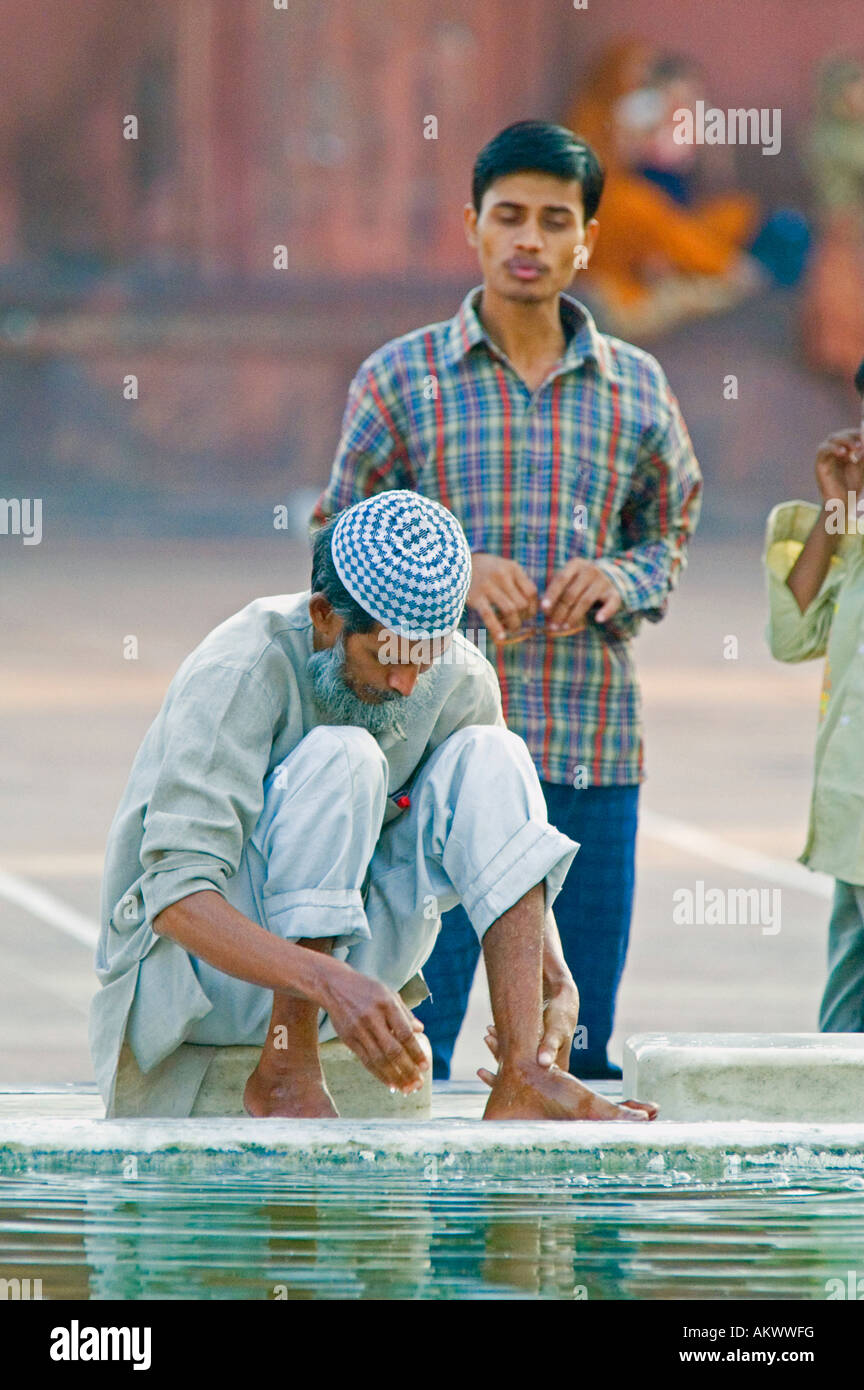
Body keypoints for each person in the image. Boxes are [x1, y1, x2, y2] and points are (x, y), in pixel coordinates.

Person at [313, 121, 702, 1080]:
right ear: (474, 228)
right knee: (417, 1047)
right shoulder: (400, 378)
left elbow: (671, 528)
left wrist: (619, 578)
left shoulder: (638, 389)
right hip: (432, 752)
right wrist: (450, 575)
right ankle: (425, 1232)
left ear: (588, 241)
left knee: (575, 1039)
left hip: (590, 744)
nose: (529, 240)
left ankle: (567, 1227)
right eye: (509, 216)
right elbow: (332, 540)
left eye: (553, 220)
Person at [90, 489, 658, 1122]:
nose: (406, 685)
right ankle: (286, 1066)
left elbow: (505, 840)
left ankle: (523, 1074)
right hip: (204, 985)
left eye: (426, 657)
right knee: (346, 756)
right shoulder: (243, 667)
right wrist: (329, 981)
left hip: (350, 987)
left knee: (494, 751)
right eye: (387, 657)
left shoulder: (455, 678)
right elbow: (175, 901)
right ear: (325, 616)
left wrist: (553, 976)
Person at [765, 429, 864, 1031]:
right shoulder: (854, 538)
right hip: (852, 819)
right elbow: (793, 636)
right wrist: (835, 507)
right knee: (843, 1022)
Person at [800, 55, 864, 383]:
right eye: (854, 91)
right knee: (839, 287)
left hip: (848, 221)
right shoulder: (833, 137)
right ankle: (838, 354)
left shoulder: (849, 132)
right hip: (841, 221)